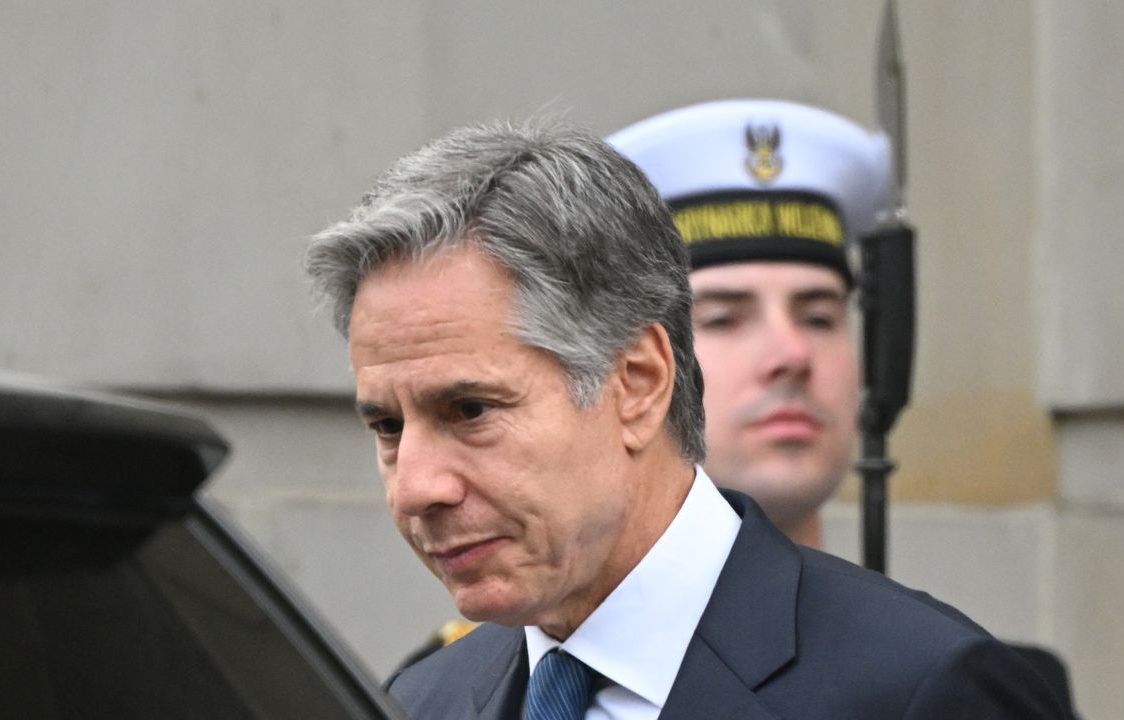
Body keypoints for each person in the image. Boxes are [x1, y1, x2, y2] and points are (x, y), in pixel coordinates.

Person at [304, 117, 1066, 719]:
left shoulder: (920, 691)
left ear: (637, 383)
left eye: (470, 410)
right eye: (388, 428)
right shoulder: (419, 701)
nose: (416, 489)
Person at [607, 99, 888, 548]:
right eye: (722, 320)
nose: (793, 355)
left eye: (819, 318)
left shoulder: (911, 622)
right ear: (633, 370)